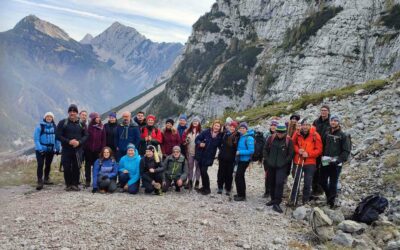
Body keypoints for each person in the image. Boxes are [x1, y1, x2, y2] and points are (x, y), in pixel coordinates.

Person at [320, 115, 351, 208]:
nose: (333, 122)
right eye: (332, 120)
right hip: (325, 160)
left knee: (333, 182)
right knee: (322, 181)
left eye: (335, 121)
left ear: (338, 122)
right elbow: (323, 145)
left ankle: (331, 202)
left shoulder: (343, 135)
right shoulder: (327, 133)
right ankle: (329, 196)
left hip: (336, 162)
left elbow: (346, 151)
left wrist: (338, 160)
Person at [56, 104, 88, 191]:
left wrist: (79, 142)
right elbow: (58, 135)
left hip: (78, 150)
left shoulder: (81, 123)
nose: (72, 113)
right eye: (71, 111)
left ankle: (75, 184)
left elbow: (86, 135)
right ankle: (68, 184)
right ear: (68, 112)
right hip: (66, 149)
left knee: (76, 167)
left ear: (77, 113)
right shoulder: (63, 123)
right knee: (66, 167)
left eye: (74, 111)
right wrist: (69, 141)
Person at [291, 117, 323, 204]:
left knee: (307, 182)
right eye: (303, 125)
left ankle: (305, 201)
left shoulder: (315, 135)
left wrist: (308, 154)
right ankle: (293, 200)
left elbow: (319, 150)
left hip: (310, 162)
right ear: (301, 126)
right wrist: (298, 150)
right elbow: (292, 144)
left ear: (310, 126)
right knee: (296, 181)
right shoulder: (297, 133)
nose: (305, 127)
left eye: (307, 125)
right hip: (298, 160)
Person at [264, 123, 294, 213]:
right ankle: (273, 199)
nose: (280, 134)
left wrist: (284, 162)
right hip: (271, 165)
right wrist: (268, 160)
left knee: (279, 183)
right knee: (271, 182)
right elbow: (265, 150)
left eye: (282, 132)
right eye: (278, 132)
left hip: (282, 166)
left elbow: (291, 154)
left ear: (285, 132)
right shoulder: (271, 138)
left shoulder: (289, 140)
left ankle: (277, 202)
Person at [33, 112, 61, 190]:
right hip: (41, 149)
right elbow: (36, 139)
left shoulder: (54, 127)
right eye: (47, 117)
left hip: (50, 150)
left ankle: (46, 179)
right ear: (45, 117)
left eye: (50, 117)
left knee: (48, 165)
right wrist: (40, 149)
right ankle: (39, 181)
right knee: (40, 164)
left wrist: (58, 149)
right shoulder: (39, 127)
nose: (49, 118)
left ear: (52, 118)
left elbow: (57, 139)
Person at [195, 120, 223, 195]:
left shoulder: (220, 136)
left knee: (204, 171)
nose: (216, 127)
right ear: (213, 125)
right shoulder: (206, 132)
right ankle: (204, 187)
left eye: (218, 126)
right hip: (201, 155)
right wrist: (199, 143)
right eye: (215, 125)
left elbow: (221, 146)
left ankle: (207, 189)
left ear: (220, 128)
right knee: (202, 171)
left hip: (209, 156)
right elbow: (197, 139)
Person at [312, 105, 331, 196]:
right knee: (315, 170)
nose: (323, 112)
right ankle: (315, 189)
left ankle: (323, 188)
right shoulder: (316, 122)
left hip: (327, 152)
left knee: (325, 169)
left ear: (328, 112)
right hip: (316, 150)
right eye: (322, 110)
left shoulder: (332, 122)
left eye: (325, 110)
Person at [234, 122, 255, 201]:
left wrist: (240, 152)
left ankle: (242, 195)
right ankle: (240, 193)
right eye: (241, 128)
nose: (242, 129)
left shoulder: (249, 138)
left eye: (244, 128)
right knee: (239, 176)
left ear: (246, 129)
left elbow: (251, 151)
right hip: (240, 159)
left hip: (245, 160)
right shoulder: (241, 136)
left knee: (239, 176)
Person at [217, 120, 239, 195]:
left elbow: (237, 148)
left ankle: (228, 188)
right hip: (222, 157)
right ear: (229, 127)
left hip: (231, 158)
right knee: (221, 172)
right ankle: (220, 187)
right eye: (231, 126)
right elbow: (219, 144)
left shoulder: (237, 136)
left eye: (234, 127)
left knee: (229, 174)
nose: (232, 128)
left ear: (236, 128)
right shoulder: (224, 134)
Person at [84, 112, 106, 187]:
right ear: (93, 119)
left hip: (97, 150)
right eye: (96, 118)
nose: (98, 119)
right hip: (88, 149)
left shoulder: (102, 127)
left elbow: (103, 139)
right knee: (87, 166)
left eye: (99, 118)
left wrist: (102, 149)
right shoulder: (88, 127)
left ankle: (95, 180)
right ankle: (87, 180)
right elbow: (85, 137)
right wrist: (86, 146)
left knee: (96, 166)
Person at [182, 116, 202, 189]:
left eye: (197, 121)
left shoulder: (201, 132)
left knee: (198, 168)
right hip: (189, 152)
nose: (195, 122)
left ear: (199, 123)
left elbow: (204, 141)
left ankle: (197, 182)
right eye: (194, 121)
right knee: (190, 167)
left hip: (198, 153)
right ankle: (189, 182)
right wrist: (185, 141)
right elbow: (183, 141)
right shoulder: (187, 131)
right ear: (192, 122)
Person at [262, 119, 278, 197]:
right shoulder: (266, 134)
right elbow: (263, 147)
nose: (273, 127)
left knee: (274, 175)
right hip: (267, 158)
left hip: (275, 159)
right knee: (267, 175)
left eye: (275, 126)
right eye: (272, 125)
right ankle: (267, 191)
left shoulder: (279, 135)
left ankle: (272, 191)